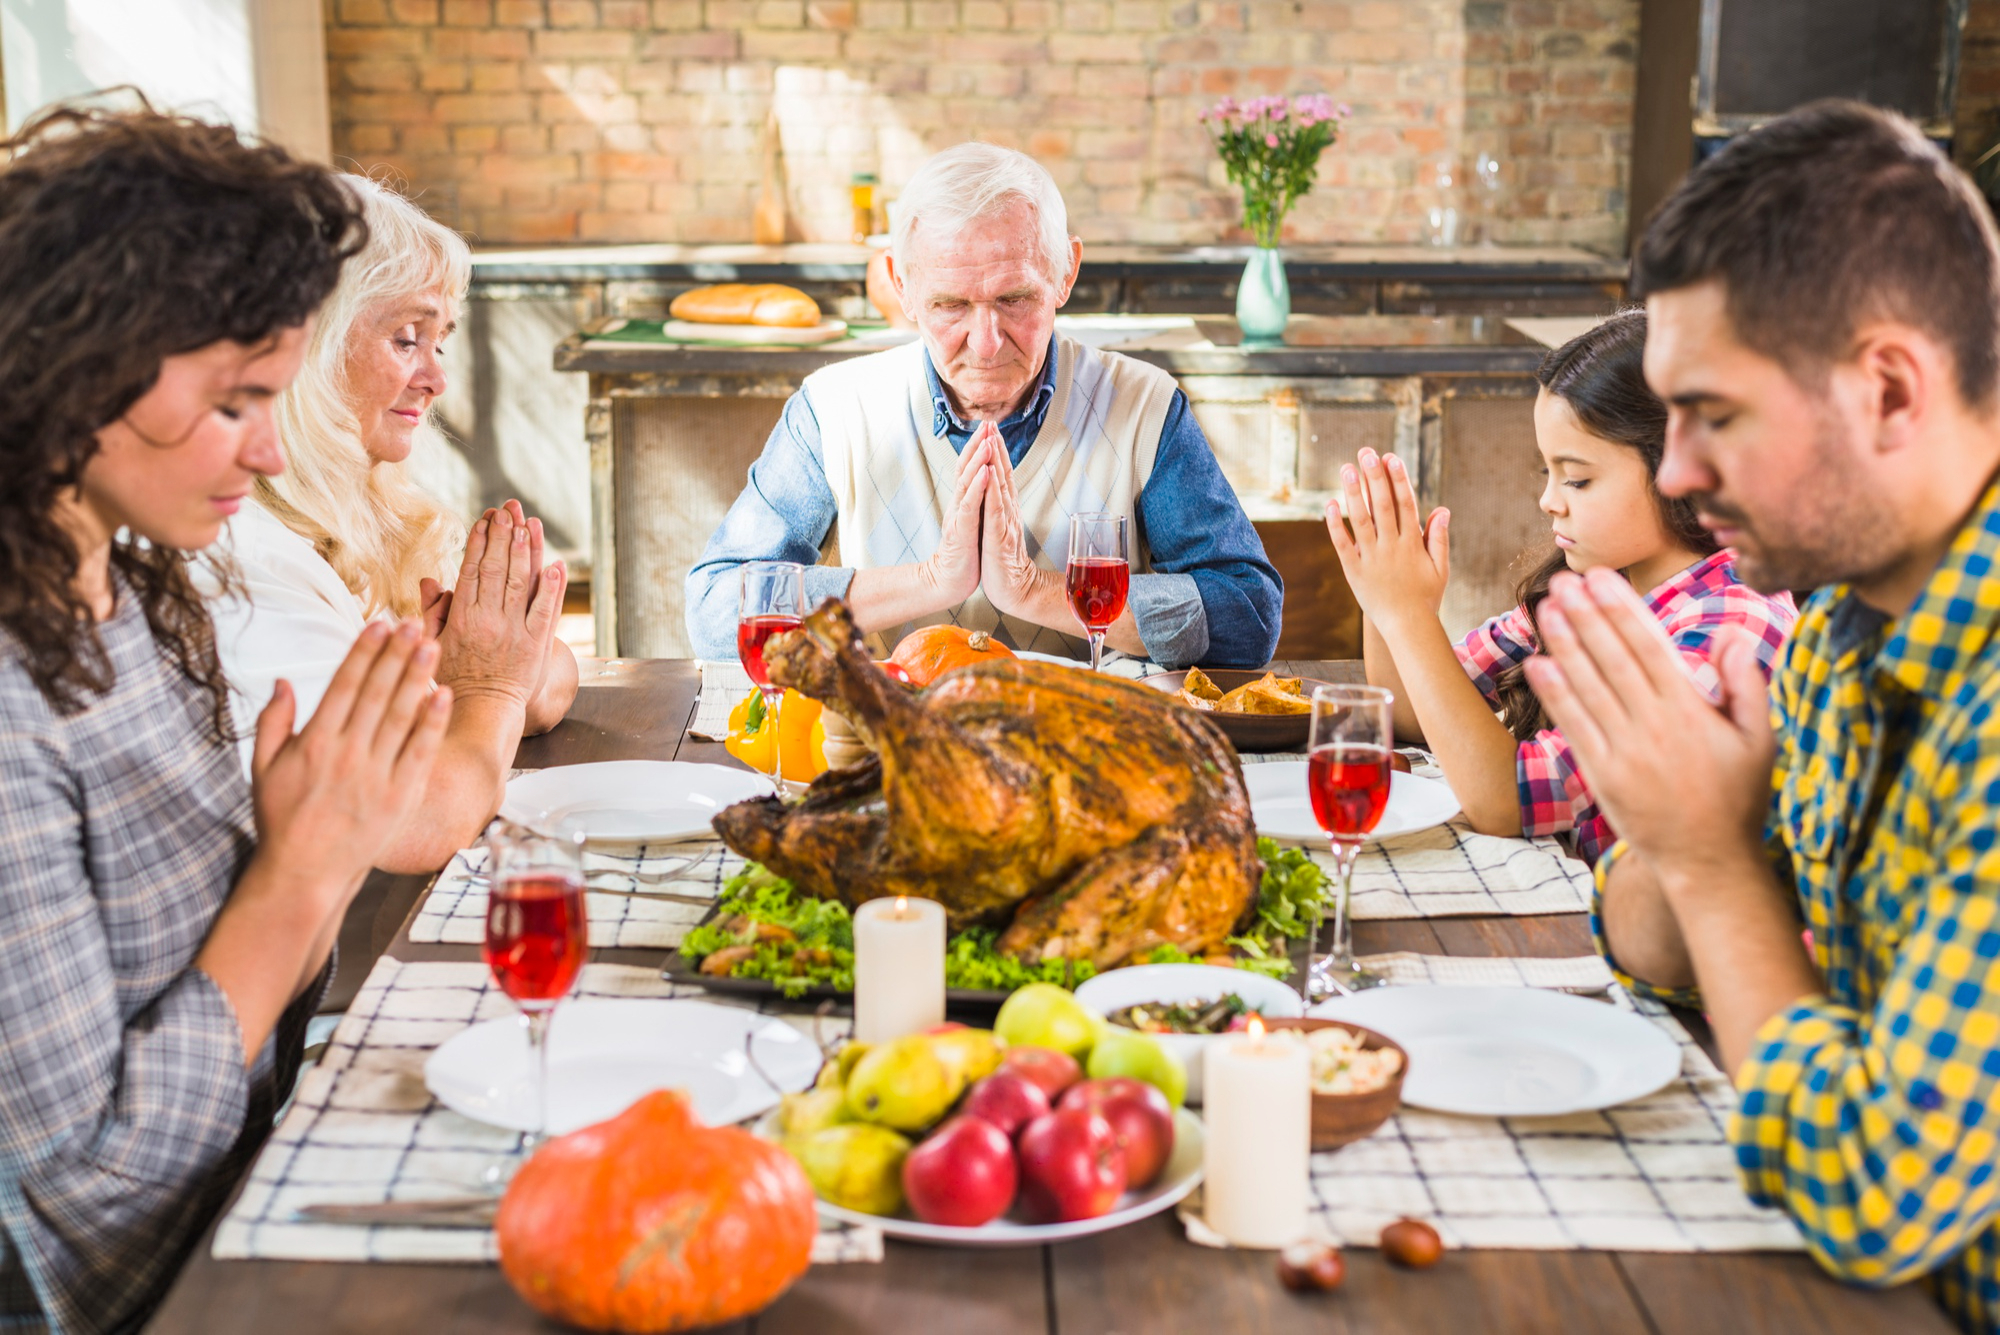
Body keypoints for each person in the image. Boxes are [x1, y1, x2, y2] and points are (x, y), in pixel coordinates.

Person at [1522, 101, 2000, 1331]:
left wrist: (1705, 858)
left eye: (1714, 416)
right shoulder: (1839, 633)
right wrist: (1678, 835)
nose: (1673, 472)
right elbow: (1650, 947)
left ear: (1888, 388)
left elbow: (1871, 1192)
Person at [0, 107, 450, 1334]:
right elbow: (83, 1188)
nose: (265, 452)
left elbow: (254, 1001)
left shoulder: (135, 591)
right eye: (233, 402)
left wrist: (313, 846)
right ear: (79, 366)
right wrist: (303, 873)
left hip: (250, 1189)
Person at [685, 142, 1283, 667]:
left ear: (1065, 272)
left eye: (1015, 297)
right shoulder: (834, 409)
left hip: (1082, 747)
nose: (987, 341)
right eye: (950, 305)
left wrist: (1036, 591)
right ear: (903, 287)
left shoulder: (1144, 407)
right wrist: (928, 583)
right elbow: (716, 611)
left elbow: (1249, 618)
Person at [205, 177, 577, 873]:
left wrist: (480, 680)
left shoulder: (361, 511)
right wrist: (487, 688)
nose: (437, 377)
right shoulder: (244, 553)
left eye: (441, 341)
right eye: (408, 338)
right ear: (303, 352)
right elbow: (418, 822)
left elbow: (553, 681)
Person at [1326, 310, 1794, 862]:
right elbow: (1407, 717)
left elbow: (1508, 800)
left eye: (1577, 477)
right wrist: (1388, 595)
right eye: (1545, 472)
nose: (1550, 499)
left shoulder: (1731, 627)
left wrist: (1407, 616)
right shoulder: (1601, 578)